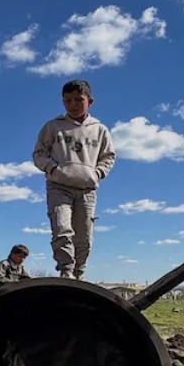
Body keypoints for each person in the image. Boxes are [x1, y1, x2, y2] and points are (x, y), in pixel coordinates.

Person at [32, 79, 115, 280]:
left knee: (84, 234)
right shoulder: (53, 126)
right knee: (61, 228)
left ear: (90, 101)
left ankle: (79, 274)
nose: (73, 105)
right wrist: (53, 168)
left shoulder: (100, 129)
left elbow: (108, 156)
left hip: (87, 188)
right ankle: (66, 271)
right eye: (67, 100)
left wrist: (97, 173)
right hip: (59, 186)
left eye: (79, 100)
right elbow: (39, 154)